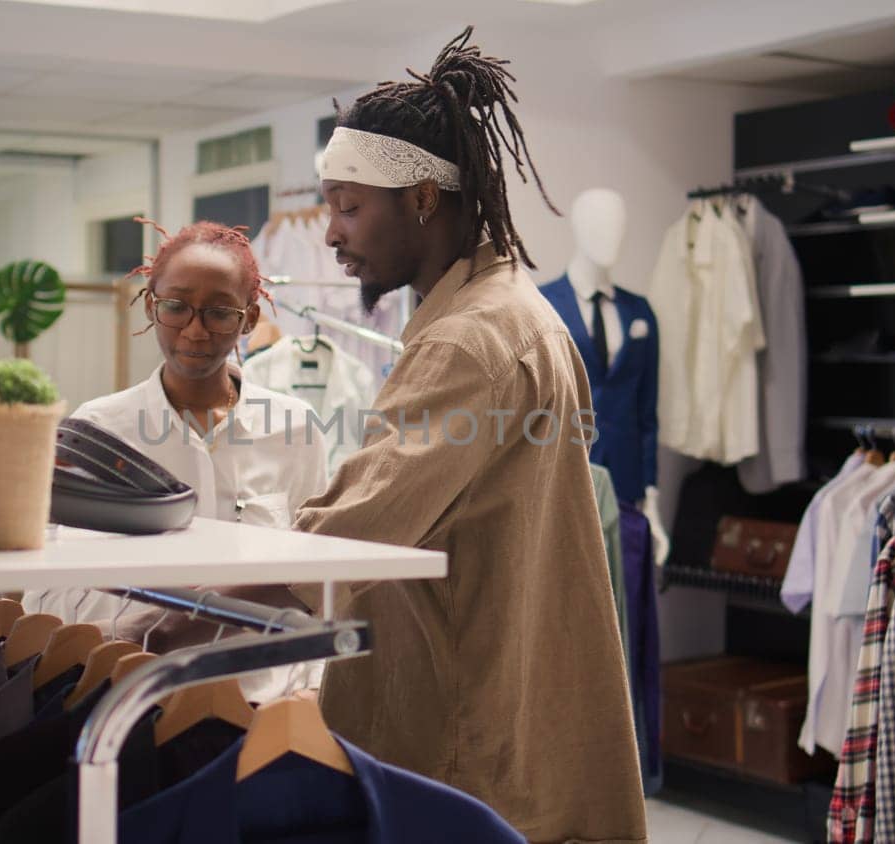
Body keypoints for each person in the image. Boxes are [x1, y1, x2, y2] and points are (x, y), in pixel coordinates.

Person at [125, 28, 646, 843]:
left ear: (424, 200)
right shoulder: (517, 312)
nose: (331, 233)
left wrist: (180, 625)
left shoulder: (468, 341)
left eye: (348, 206)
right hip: (506, 708)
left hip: (467, 732)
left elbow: (350, 535)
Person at [23, 219, 327, 625]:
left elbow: (317, 577)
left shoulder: (295, 430)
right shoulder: (98, 432)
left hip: (260, 683)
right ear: (151, 305)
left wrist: (311, 684)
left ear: (249, 320)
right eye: (176, 307)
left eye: (219, 313)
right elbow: (48, 593)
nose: (195, 330)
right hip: (137, 676)